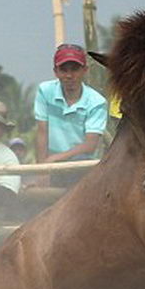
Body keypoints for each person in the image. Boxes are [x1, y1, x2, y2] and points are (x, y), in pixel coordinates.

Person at [33, 43, 107, 185]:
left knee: (80, 164)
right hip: (52, 165)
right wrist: (42, 170)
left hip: (82, 166)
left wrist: (55, 159)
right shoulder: (45, 91)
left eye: (75, 69)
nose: (69, 75)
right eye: (64, 70)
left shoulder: (97, 102)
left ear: (85, 70)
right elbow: (42, 133)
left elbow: (90, 145)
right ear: (56, 72)